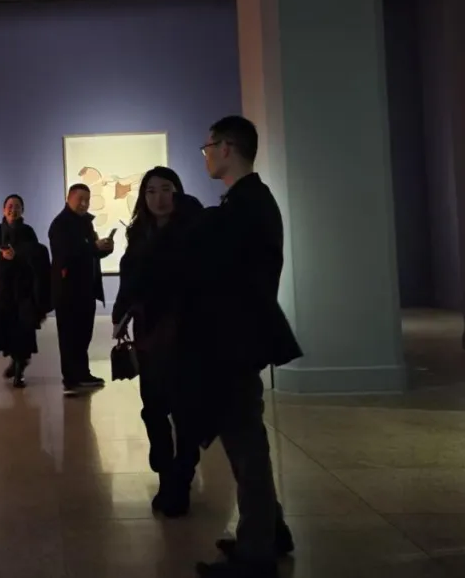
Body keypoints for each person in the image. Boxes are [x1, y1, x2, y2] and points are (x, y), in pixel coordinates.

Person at [190, 116, 303, 578]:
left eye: (208, 147)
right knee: (245, 437)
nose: (206, 155)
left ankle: (257, 552)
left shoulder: (243, 206)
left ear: (227, 148)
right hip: (242, 335)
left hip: (236, 338)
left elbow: (224, 276)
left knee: (245, 443)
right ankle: (270, 530)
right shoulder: (251, 201)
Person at [111, 166, 203, 517]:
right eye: (151, 191)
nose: (159, 198)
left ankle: (181, 478)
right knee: (153, 408)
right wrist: (120, 314)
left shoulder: (192, 230)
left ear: (178, 192)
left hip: (186, 333)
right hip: (150, 335)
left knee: (184, 410)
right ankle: (166, 472)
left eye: (166, 189)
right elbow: (129, 280)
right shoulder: (139, 234)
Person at [49, 183, 113, 395]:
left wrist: (104, 249)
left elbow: (90, 253)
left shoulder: (85, 223)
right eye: (80, 199)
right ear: (69, 199)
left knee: (83, 335)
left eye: (87, 199)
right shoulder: (60, 224)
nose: (84, 203)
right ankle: (71, 378)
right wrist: (93, 247)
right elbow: (65, 254)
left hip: (86, 289)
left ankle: (82, 373)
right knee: (70, 336)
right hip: (68, 290)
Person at [0, 194, 48, 388]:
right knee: (4, 327)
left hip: (24, 288)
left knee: (23, 328)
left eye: (17, 206)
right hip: (3, 288)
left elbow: (37, 255)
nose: (13, 209)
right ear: (4, 210)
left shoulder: (28, 231)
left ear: (22, 210)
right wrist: (2, 255)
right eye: (10, 206)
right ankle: (16, 360)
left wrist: (19, 254)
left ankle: (19, 370)